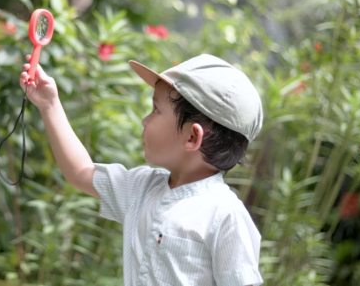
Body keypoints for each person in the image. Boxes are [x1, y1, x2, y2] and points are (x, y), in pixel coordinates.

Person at [19, 53, 264, 286]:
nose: (145, 120)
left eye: (156, 110)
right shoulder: (141, 188)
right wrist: (49, 104)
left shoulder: (225, 216)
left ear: (192, 136)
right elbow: (80, 171)